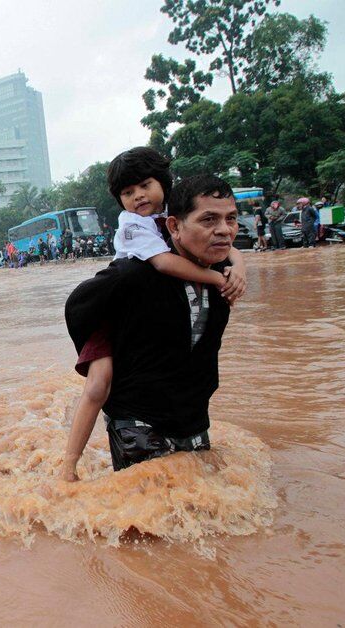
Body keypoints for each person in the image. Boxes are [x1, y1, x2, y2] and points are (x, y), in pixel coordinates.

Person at [59, 147, 246, 481]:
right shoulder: (134, 241)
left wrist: (238, 268)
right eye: (128, 192)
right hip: (111, 317)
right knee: (98, 385)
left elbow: (229, 249)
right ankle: (67, 465)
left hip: (189, 414)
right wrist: (219, 278)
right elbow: (85, 300)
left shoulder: (201, 249)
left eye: (230, 219)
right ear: (176, 227)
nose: (138, 197)